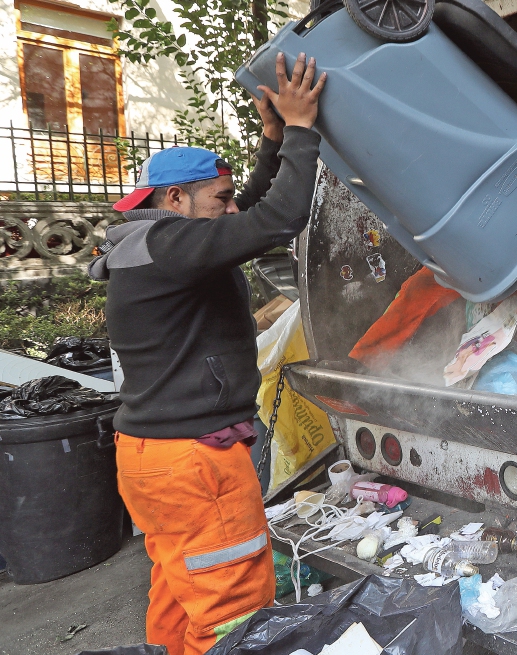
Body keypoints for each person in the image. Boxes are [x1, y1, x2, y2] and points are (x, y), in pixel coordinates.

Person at [89, 53, 326, 655]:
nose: (229, 208)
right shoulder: (170, 246)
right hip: (195, 464)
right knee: (233, 611)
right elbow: (277, 219)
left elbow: (244, 209)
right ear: (174, 198)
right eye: (217, 198)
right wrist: (302, 130)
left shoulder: (149, 242)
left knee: (180, 590)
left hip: (152, 459)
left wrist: (271, 142)